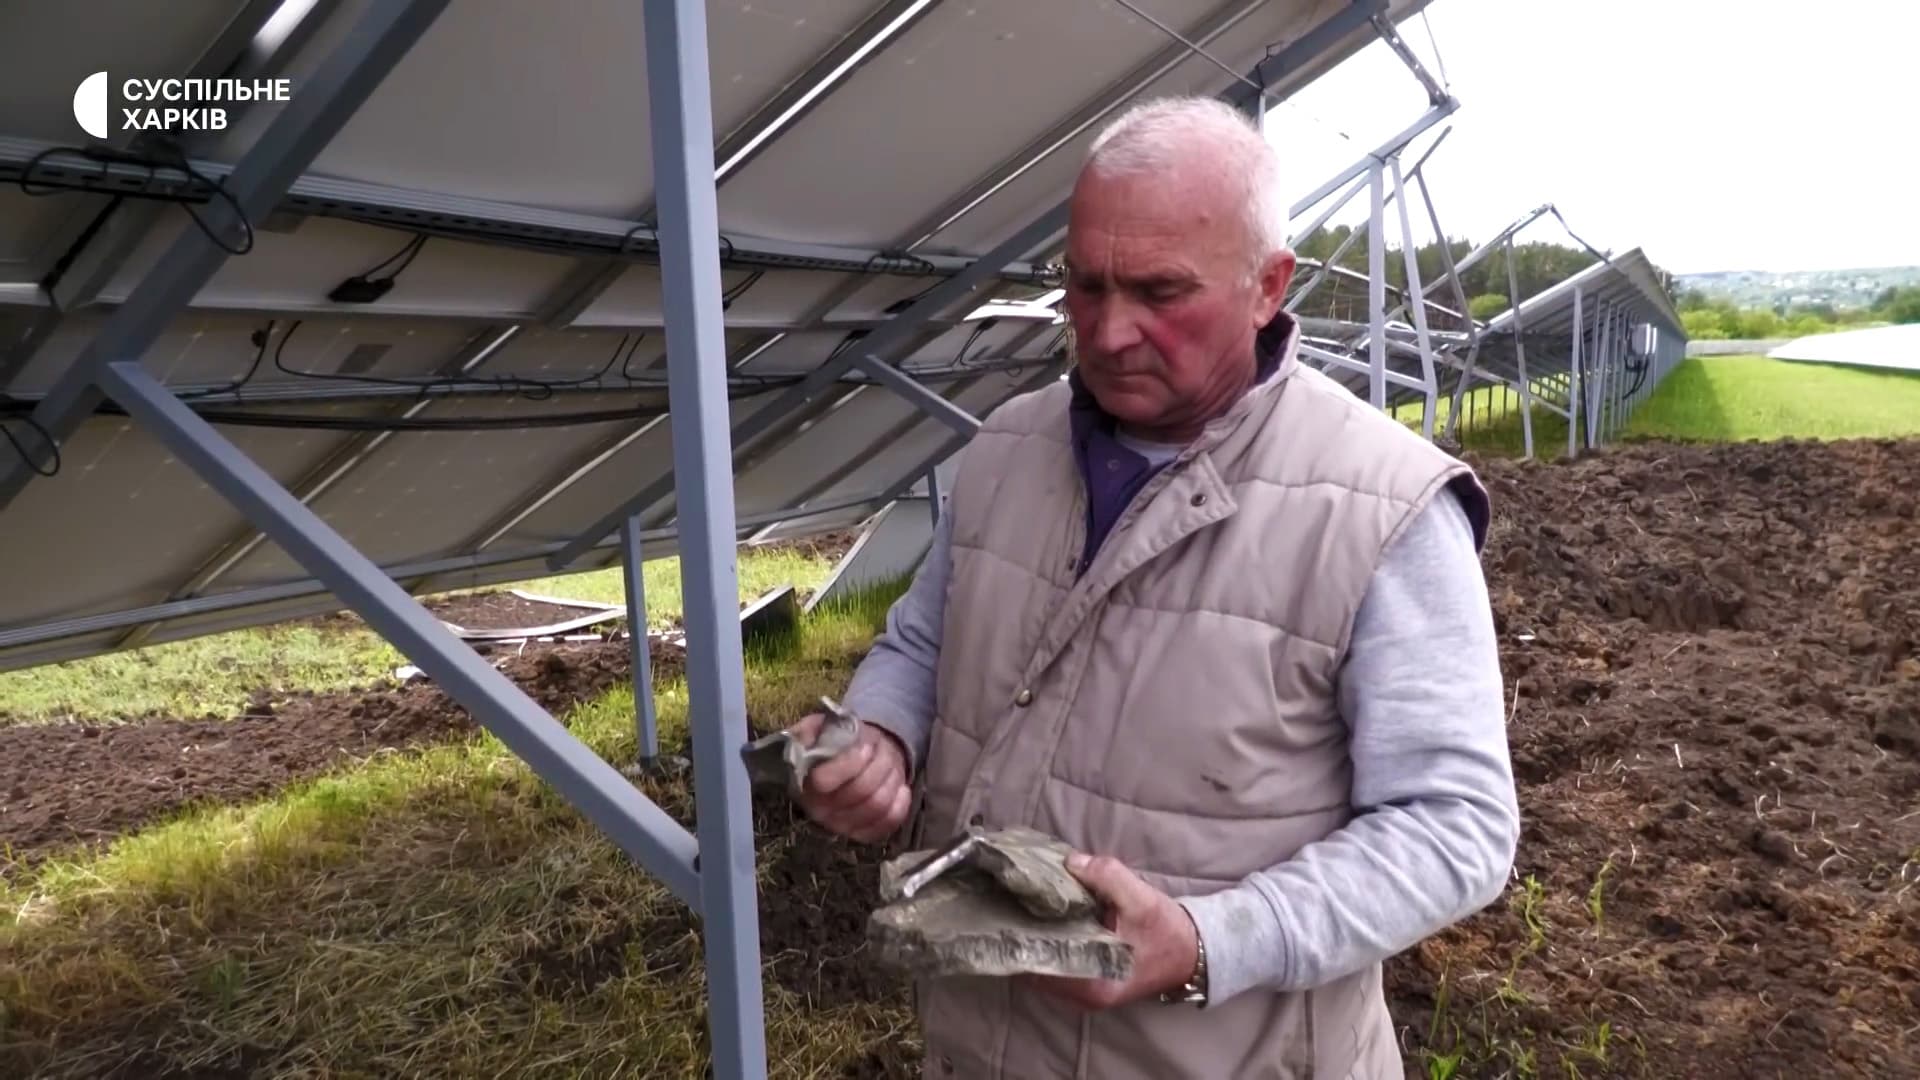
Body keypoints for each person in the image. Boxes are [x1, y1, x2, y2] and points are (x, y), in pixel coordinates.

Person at [784, 94, 1520, 1079]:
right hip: (984, 1043)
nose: (1110, 329)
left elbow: (1455, 825)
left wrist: (1213, 941)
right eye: (1084, 285)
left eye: (1161, 293)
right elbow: (925, 641)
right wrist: (879, 736)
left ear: (1268, 286)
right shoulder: (1007, 448)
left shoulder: (1380, 508)